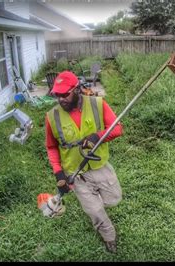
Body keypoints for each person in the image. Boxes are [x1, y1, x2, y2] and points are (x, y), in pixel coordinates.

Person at [45, 71, 123, 253]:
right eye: (57, 95)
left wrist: (98, 136)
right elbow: (51, 147)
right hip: (75, 173)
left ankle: (95, 201)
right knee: (95, 211)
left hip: (99, 165)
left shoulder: (97, 104)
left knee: (114, 199)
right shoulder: (52, 117)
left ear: (77, 89)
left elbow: (118, 128)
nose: (61, 99)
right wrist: (58, 172)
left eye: (65, 94)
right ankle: (109, 236)